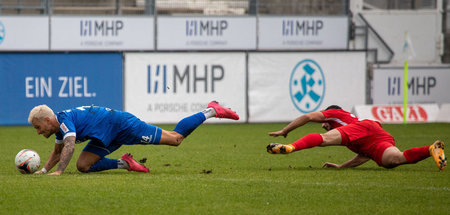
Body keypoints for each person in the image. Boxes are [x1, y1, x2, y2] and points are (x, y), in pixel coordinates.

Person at [29, 101, 239, 175]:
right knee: (84, 166)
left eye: (38, 127)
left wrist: (58, 172)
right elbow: (58, 151)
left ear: (48, 119)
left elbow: (70, 145)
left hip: (122, 126)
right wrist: (44, 170)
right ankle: (125, 163)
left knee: (175, 139)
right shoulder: (59, 128)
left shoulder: (64, 121)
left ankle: (211, 110)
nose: (38, 132)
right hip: (106, 136)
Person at [266, 105, 447, 171]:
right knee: (393, 160)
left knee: (324, 139)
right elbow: (363, 155)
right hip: (375, 135)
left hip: (364, 128)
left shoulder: (336, 113)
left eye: (324, 121)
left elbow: (307, 117)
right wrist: (341, 167)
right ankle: (431, 149)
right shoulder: (351, 131)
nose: (323, 123)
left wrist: (285, 130)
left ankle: (291, 148)